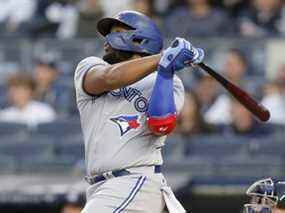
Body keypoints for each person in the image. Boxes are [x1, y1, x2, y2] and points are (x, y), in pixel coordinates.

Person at [74, 10, 204, 213]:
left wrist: (165, 71)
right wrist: (163, 59)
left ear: (140, 38)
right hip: (100, 187)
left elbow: (161, 125)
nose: (107, 39)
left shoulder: (169, 82)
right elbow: (107, 78)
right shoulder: (90, 66)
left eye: (116, 31)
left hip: (134, 180)